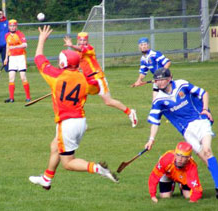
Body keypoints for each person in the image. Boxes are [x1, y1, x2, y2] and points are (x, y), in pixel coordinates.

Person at [29, 25, 118, 190]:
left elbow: (38, 58)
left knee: (68, 163)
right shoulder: (84, 79)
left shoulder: (56, 76)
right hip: (80, 122)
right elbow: (96, 89)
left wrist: (41, 40)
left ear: (63, 62)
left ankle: (98, 168)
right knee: (54, 146)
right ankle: (47, 179)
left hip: (67, 123)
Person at [144, 67, 218, 199]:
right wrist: (151, 139)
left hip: (200, 120)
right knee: (204, 158)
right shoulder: (158, 101)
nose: (159, 83)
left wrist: (205, 109)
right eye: (157, 81)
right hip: (187, 131)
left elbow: (203, 93)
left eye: (162, 80)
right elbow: (155, 121)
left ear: (169, 79)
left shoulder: (182, 85)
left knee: (207, 150)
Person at [63, 32, 138, 128]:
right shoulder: (76, 54)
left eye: (84, 40)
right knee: (79, 99)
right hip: (87, 80)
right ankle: (82, 122)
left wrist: (71, 45)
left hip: (98, 78)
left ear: (87, 41)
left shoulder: (89, 48)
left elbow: (81, 49)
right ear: (78, 40)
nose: (82, 42)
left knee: (108, 101)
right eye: (80, 40)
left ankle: (130, 112)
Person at [3, 19, 31, 103]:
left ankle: (28, 97)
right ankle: (11, 98)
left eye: (13, 26)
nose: (12, 27)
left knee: (23, 77)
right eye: (10, 26)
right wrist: (6, 58)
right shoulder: (7, 35)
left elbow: (25, 45)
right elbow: (7, 46)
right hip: (12, 58)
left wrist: (15, 47)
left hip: (21, 57)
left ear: (16, 26)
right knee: (11, 78)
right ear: (8, 27)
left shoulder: (20, 34)